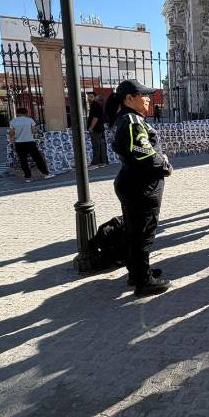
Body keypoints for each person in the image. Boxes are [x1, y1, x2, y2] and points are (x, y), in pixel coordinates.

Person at [108, 79, 174, 296]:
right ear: (129, 99)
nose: (148, 98)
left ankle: (137, 272)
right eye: (143, 95)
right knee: (143, 233)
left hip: (135, 182)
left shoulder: (126, 118)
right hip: (141, 185)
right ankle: (143, 281)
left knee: (134, 231)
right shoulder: (132, 121)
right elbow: (145, 155)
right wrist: (164, 164)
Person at [9, 107, 55, 183]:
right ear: (26, 113)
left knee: (23, 160)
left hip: (19, 143)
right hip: (30, 142)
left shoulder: (13, 121)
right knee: (37, 158)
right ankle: (45, 173)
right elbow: (34, 131)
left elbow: (11, 133)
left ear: (17, 113)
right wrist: (36, 130)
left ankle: (28, 177)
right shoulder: (30, 120)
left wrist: (12, 142)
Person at [86, 93, 109, 166]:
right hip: (100, 128)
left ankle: (96, 162)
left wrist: (91, 127)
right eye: (88, 97)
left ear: (96, 98)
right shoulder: (99, 106)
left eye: (91, 97)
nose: (89, 98)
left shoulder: (94, 105)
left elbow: (95, 118)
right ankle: (103, 161)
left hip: (96, 129)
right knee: (101, 145)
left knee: (96, 145)